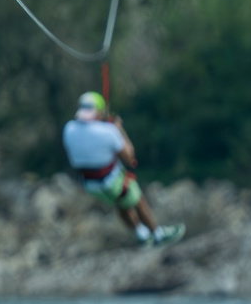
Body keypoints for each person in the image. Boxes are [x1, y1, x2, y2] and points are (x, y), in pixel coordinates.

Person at [63, 91, 180, 247]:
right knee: (137, 199)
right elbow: (130, 157)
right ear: (99, 112)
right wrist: (118, 129)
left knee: (121, 203)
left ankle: (141, 235)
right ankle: (157, 234)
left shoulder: (69, 129)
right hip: (111, 181)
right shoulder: (108, 131)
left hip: (89, 185)